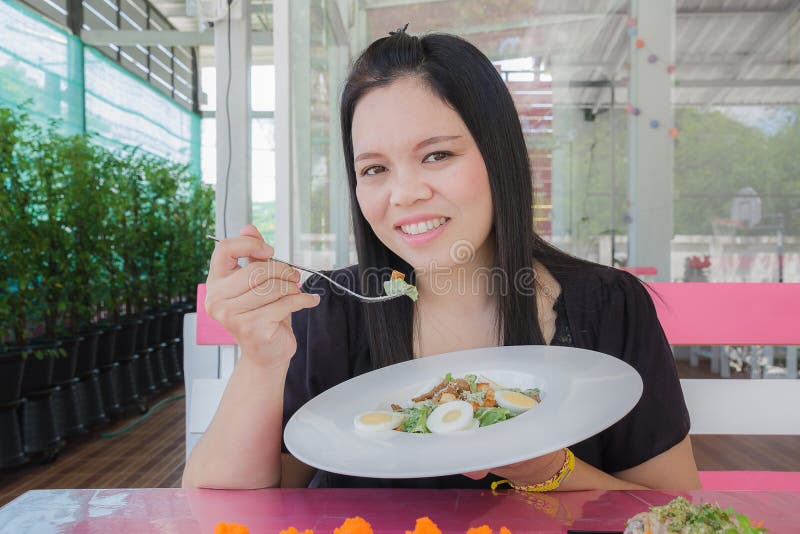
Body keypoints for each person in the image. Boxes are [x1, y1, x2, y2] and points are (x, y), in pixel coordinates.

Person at [182, 30, 701, 491]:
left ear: (499, 157)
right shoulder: (330, 310)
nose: (404, 194)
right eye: (375, 168)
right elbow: (223, 503)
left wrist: (551, 472)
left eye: (437, 155)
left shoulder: (609, 307)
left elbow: (672, 506)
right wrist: (261, 361)